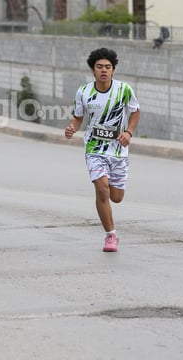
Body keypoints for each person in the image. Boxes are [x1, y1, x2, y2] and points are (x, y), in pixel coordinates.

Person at [64, 48, 140, 253]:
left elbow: (135, 111)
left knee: (116, 196)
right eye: (99, 67)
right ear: (93, 70)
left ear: (113, 70)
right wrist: (72, 127)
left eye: (107, 67)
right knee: (102, 189)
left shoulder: (124, 89)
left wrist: (129, 132)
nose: (104, 70)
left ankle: (110, 223)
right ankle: (110, 235)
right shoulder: (84, 91)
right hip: (94, 148)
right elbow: (78, 116)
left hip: (118, 151)